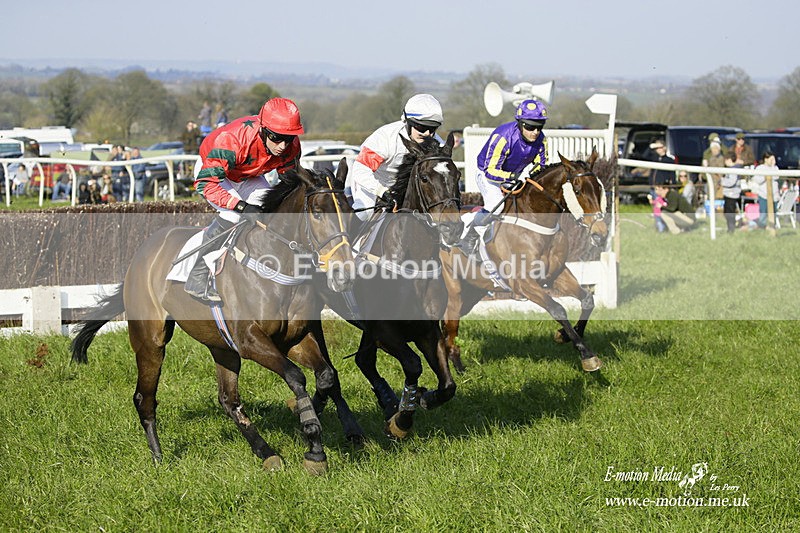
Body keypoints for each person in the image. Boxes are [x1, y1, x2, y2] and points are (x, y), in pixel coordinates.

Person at [186, 97, 304, 302]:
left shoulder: (290, 144)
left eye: (289, 138)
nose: (283, 146)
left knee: (270, 211)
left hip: (247, 174)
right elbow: (206, 184)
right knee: (233, 216)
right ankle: (197, 275)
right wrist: (241, 205)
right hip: (213, 174)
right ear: (263, 130)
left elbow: (290, 182)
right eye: (277, 137)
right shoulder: (231, 141)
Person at [459, 99, 548, 252]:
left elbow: (541, 165)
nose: (535, 132)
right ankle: (471, 231)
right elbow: (490, 171)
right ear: (520, 123)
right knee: (497, 205)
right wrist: (513, 177)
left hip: (514, 175)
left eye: (539, 127)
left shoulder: (541, 140)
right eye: (530, 126)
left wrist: (527, 176)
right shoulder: (503, 136)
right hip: (487, 174)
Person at [347, 93, 444, 222]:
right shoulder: (385, 138)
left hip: (407, 187)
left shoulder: (438, 144)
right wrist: (381, 191)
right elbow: (360, 170)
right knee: (365, 213)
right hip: (374, 182)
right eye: (421, 127)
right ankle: (351, 240)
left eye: (433, 128)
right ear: (407, 122)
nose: (427, 134)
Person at [750, 151, 779, 229]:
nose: (773, 161)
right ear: (766, 159)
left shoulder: (775, 168)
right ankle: (762, 227)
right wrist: (765, 176)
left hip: (774, 196)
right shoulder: (760, 168)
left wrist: (773, 167)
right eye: (771, 159)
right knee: (763, 214)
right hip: (763, 195)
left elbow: (776, 177)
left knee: (773, 213)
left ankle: (772, 227)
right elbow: (757, 180)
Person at [720, 158, 742, 233]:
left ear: (729, 160)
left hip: (731, 194)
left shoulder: (733, 170)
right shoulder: (733, 169)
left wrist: (722, 181)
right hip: (729, 193)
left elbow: (731, 182)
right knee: (727, 212)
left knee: (729, 212)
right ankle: (730, 228)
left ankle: (731, 229)